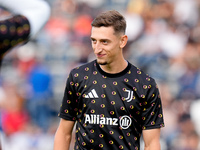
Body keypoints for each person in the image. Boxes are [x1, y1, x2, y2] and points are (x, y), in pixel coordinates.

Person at [54, 10, 164, 150]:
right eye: (94, 41)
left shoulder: (145, 84)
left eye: (104, 42)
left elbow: (151, 144)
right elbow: (64, 132)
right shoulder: (78, 77)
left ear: (122, 41)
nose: (97, 49)